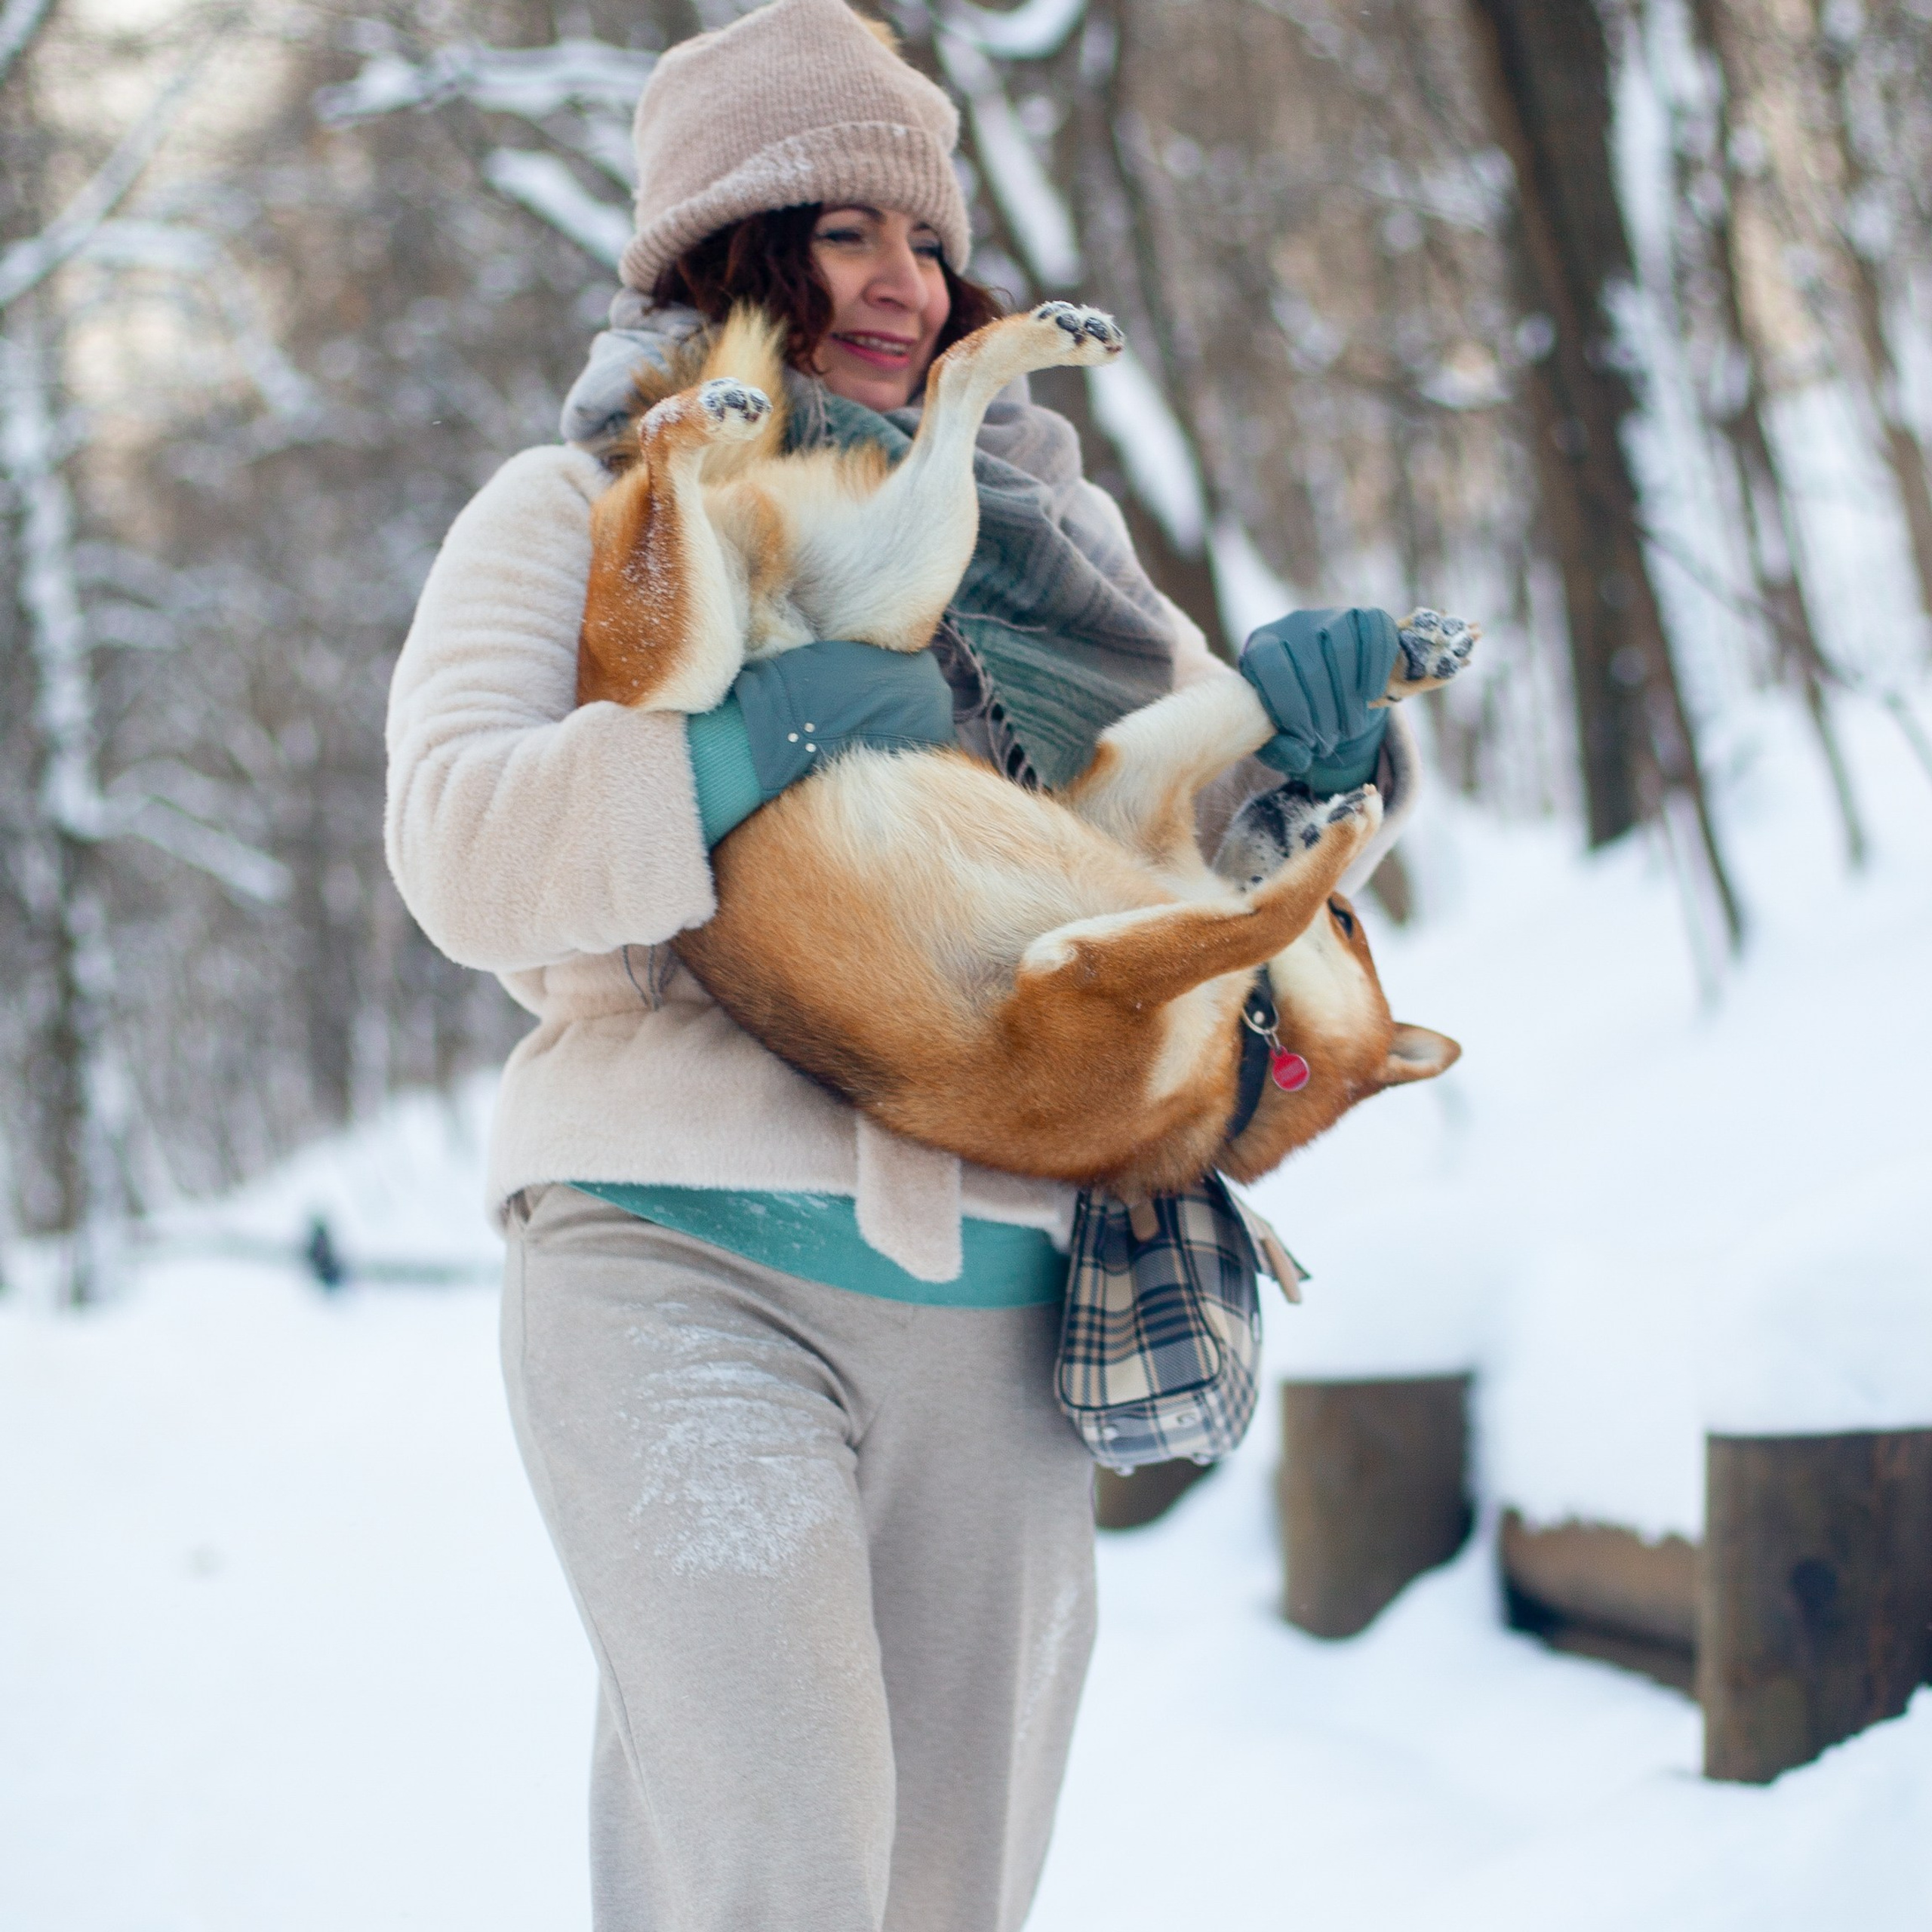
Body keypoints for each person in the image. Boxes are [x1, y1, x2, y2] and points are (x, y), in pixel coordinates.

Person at [383, 2, 1420, 1926]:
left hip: (998, 1304)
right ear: (727, 260)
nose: (902, 280)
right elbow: (453, 847)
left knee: (945, 1889)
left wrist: (1308, 760)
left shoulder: (1046, 543)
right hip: (674, 1259)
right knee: (776, 1858)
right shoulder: (570, 513)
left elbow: (1157, 869)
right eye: (843, 231)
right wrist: (718, 753)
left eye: (927, 239)